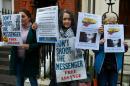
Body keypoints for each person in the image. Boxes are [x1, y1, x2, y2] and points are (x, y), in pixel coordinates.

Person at [9, 9, 40, 86]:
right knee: (19, 82)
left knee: (33, 81)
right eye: (19, 17)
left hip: (30, 60)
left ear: (29, 18)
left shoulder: (34, 28)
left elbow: (39, 44)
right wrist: (4, 30)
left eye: (23, 16)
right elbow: (8, 40)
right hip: (18, 60)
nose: (20, 18)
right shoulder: (15, 28)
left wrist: (29, 46)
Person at [94, 16, 128, 86]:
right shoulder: (100, 34)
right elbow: (94, 50)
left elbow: (124, 50)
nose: (110, 25)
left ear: (116, 24)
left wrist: (124, 46)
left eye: (113, 23)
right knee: (102, 84)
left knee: (112, 84)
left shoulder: (119, 34)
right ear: (105, 24)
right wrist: (99, 43)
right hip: (102, 66)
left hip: (114, 66)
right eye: (108, 23)